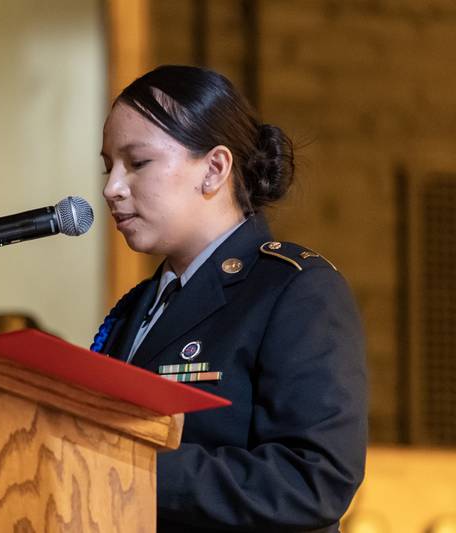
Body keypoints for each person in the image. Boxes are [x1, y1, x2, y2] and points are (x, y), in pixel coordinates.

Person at [91, 65, 367, 532]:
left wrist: (131, 468)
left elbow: (313, 481)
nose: (112, 188)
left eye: (137, 163)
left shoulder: (295, 290)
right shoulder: (137, 308)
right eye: (108, 167)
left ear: (215, 169)